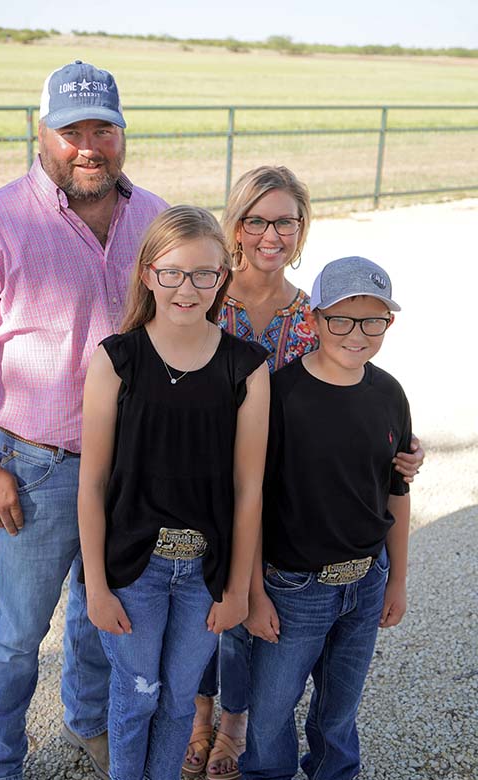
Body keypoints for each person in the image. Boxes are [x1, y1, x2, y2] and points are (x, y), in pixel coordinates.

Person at [0, 60, 167, 780]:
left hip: (130, 466)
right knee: (19, 634)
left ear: (122, 133)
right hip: (36, 466)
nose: (89, 145)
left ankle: (88, 724)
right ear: (41, 133)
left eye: (103, 129)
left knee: (99, 613)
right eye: (71, 130)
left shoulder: (153, 217)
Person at [182, 167, 423, 780]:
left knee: (251, 627)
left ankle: (238, 729)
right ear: (236, 226)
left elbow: (357, 414)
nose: (270, 233)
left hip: (278, 496)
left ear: (300, 229)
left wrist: (402, 453)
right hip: (198, 485)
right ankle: (201, 718)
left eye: (285, 221)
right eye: (257, 220)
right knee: (203, 611)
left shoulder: (307, 312)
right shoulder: (202, 294)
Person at [77, 205, 270, 780]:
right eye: (173, 273)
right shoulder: (117, 360)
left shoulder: (246, 368)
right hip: (134, 569)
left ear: (222, 280)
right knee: (137, 695)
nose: (187, 288)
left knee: (180, 702)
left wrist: (237, 587)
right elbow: (92, 483)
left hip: (204, 575)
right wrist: (94, 585)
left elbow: (249, 487)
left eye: (204, 275)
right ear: (147, 274)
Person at [241, 255, 412, 780]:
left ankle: (336, 772)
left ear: (388, 323)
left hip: (366, 580)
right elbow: (250, 498)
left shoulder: (389, 393)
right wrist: (253, 591)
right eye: (340, 319)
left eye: (372, 321)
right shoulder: (280, 394)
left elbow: (396, 490)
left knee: (339, 708)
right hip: (295, 588)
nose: (356, 334)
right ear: (313, 319)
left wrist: (397, 580)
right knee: (270, 713)